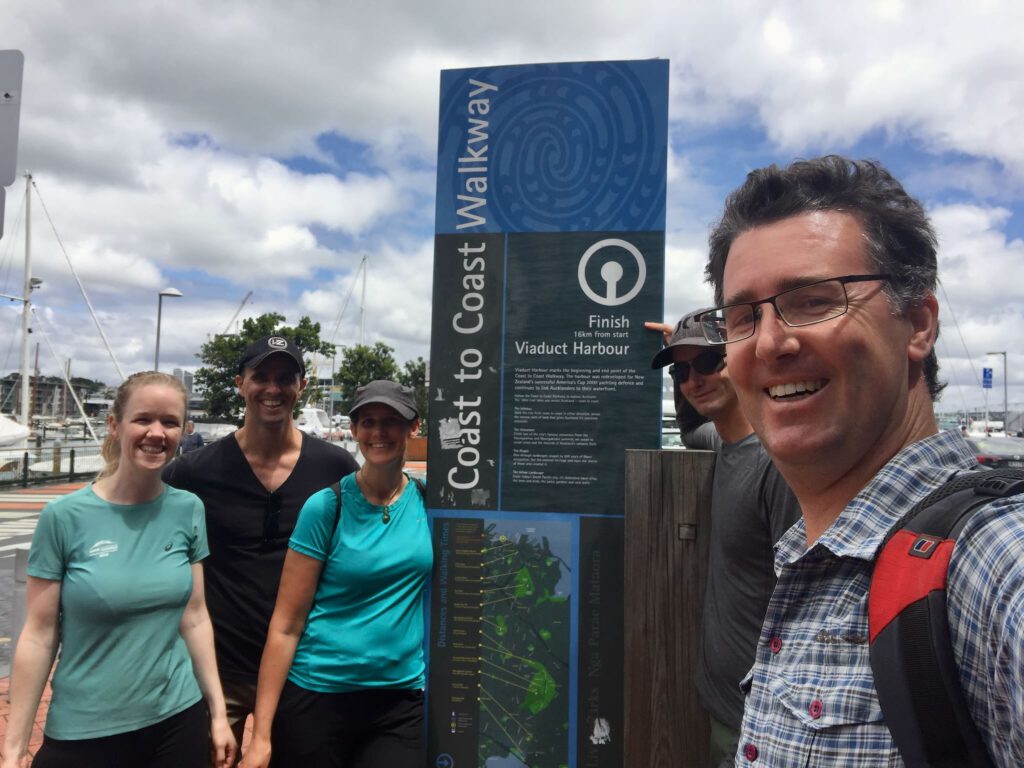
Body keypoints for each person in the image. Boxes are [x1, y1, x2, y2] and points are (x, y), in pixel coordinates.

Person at [695, 155, 1024, 765]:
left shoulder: (990, 561)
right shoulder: (814, 554)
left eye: (814, 300)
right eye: (743, 317)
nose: (770, 342)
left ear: (918, 325)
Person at [1, 372, 235, 768]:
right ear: (114, 425)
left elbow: (194, 617)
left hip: (178, 720)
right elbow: (39, 636)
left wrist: (216, 714)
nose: (156, 433)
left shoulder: (188, 509)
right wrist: (12, 749)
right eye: (143, 419)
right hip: (85, 729)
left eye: (170, 422)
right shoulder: (64, 517)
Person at [163, 336, 359, 760]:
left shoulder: (335, 468)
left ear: (301, 386)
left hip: (301, 669)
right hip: (218, 671)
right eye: (261, 377)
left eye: (285, 377)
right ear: (240, 383)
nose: (273, 388)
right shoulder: (194, 471)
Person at [243, 380, 432, 768]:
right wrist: (261, 736)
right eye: (368, 422)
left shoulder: (431, 502)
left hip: (400, 700)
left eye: (391, 422)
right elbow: (286, 624)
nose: (378, 432)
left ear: (414, 427)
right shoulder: (326, 507)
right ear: (355, 430)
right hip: (318, 697)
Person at [647, 312, 800, 767]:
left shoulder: (778, 468)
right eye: (681, 371)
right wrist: (685, 348)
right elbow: (692, 428)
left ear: (740, 357)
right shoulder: (724, 443)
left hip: (761, 726)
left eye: (711, 362)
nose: (696, 380)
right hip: (723, 707)